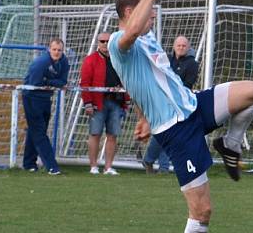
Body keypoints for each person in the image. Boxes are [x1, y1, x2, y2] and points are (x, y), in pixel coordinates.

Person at [108, 0, 253, 233]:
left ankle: (231, 143)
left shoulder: (147, 40)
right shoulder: (120, 45)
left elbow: (145, 83)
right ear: (131, 13)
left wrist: (142, 116)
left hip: (194, 108)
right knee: (202, 210)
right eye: (148, 12)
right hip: (177, 132)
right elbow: (132, 33)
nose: (153, 19)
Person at [142, 36, 200, 174]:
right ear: (174, 47)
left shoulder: (192, 64)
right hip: (161, 101)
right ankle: (158, 164)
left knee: (169, 134)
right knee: (164, 133)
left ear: (188, 47)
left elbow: (188, 84)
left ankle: (157, 164)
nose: (181, 48)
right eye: (178, 45)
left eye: (184, 46)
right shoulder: (165, 60)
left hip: (178, 103)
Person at [80, 33, 130, 175]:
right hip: (98, 103)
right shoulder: (90, 60)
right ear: (98, 42)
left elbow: (126, 79)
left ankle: (108, 167)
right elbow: (85, 83)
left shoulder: (119, 59)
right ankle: (93, 166)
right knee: (95, 133)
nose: (105, 43)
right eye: (102, 41)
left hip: (116, 102)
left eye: (108, 41)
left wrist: (126, 100)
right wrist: (88, 103)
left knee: (113, 135)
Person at [21, 37, 69, 174]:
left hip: (46, 98)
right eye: (54, 49)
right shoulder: (41, 63)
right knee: (40, 132)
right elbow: (35, 83)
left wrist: (48, 81)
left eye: (59, 50)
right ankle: (52, 166)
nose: (57, 52)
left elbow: (63, 81)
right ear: (49, 49)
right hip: (31, 97)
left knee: (34, 130)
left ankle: (29, 163)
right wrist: (53, 82)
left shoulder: (64, 62)